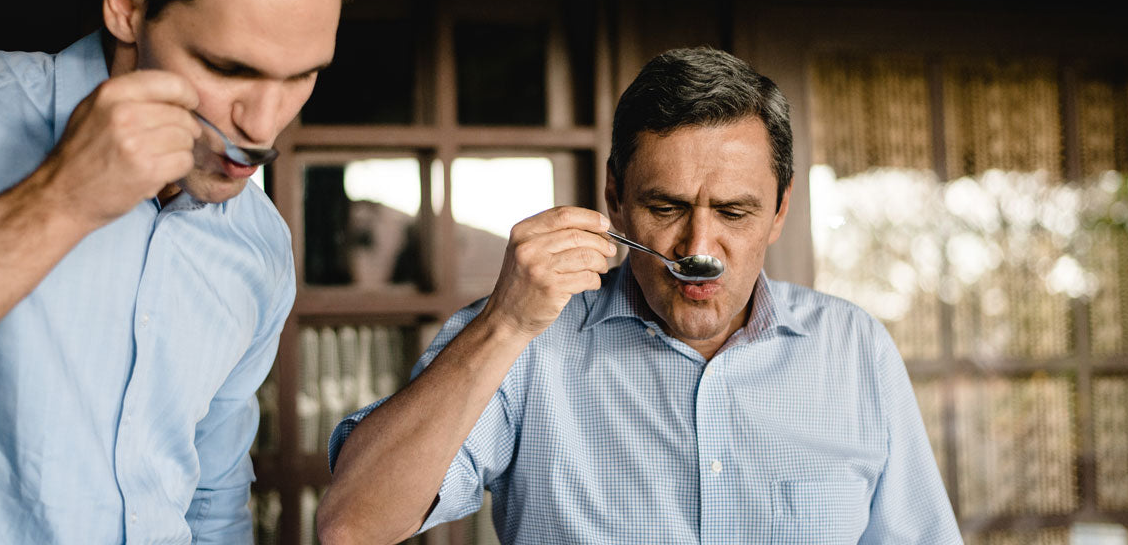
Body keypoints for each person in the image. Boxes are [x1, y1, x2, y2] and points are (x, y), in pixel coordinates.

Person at [318, 47, 963, 543]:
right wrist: (504, 325)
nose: (698, 245)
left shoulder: (852, 347)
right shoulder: (526, 344)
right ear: (615, 199)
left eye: (734, 213)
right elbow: (351, 526)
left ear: (780, 210)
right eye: (667, 206)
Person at [0, 0, 345, 542]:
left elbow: (212, 495)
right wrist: (62, 199)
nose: (263, 124)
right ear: (126, 6)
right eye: (229, 69)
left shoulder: (259, 241)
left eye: (303, 75)